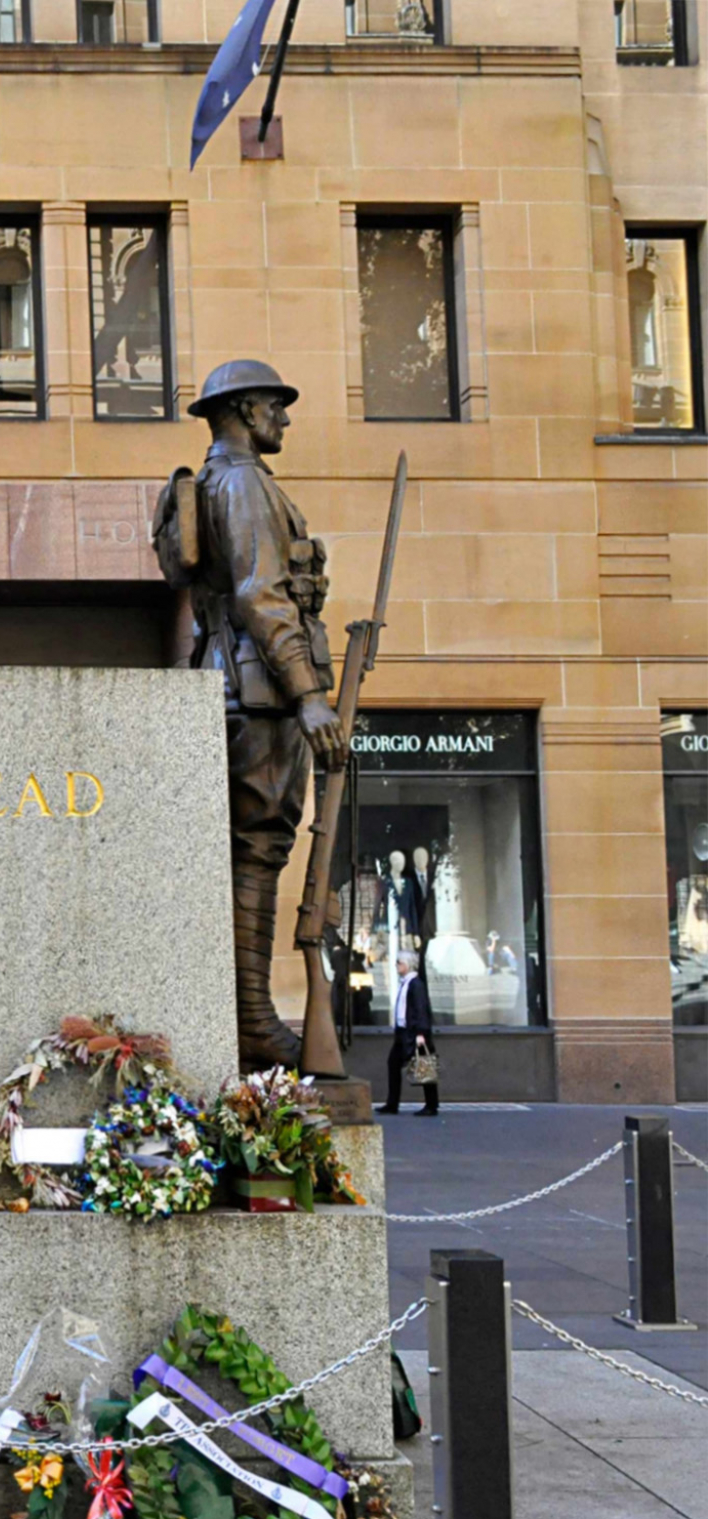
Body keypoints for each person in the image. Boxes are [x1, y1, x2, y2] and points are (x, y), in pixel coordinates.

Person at [176, 360, 348, 1067]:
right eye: (276, 406)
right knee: (260, 845)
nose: (285, 418)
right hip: (259, 690)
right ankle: (250, 1020)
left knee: (255, 847)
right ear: (245, 411)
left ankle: (248, 1014)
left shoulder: (229, 481)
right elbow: (260, 594)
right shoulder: (243, 483)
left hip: (245, 682)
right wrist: (308, 694)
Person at [381, 949, 437, 1116]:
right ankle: (392, 1103)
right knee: (393, 1064)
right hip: (403, 1032)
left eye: (399, 962)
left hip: (414, 1034)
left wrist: (421, 1033)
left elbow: (421, 1009)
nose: (396, 965)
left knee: (424, 1067)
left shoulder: (416, 984)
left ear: (407, 965)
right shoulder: (405, 983)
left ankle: (431, 1105)